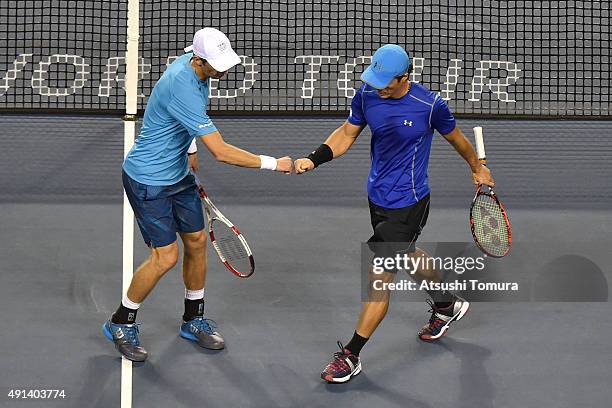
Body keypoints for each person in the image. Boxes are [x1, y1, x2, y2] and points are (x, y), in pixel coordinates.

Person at [294, 44, 495, 383]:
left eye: (386, 83)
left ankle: (351, 355)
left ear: (405, 77)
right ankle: (447, 305)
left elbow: (458, 139)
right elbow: (347, 133)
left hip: (409, 202)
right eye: (376, 81)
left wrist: (476, 167)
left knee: (378, 275)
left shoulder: (430, 106)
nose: (379, 88)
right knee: (408, 255)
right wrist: (316, 157)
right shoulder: (367, 95)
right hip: (377, 197)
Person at [102, 27, 293, 362]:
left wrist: (188, 145)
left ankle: (193, 319)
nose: (224, 69)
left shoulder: (196, 69)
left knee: (196, 241)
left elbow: (183, 118)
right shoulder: (183, 84)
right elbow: (220, 152)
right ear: (200, 58)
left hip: (177, 175)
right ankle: (120, 321)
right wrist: (275, 164)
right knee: (166, 257)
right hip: (148, 181)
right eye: (217, 63)